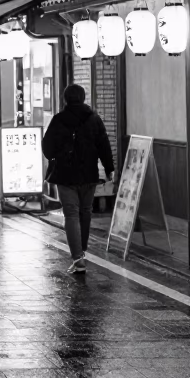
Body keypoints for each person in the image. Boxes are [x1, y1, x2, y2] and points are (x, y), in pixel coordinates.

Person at [41, 84, 114, 275]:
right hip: (88, 173)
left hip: (65, 175)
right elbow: (104, 145)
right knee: (85, 212)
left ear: (65, 98)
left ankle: (78, 258)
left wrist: (57, 156)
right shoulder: (94, 119)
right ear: (83, 97)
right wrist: (109, 169)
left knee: (71, 214)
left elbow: (47, 147)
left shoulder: (58, 120)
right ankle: (82, 252)